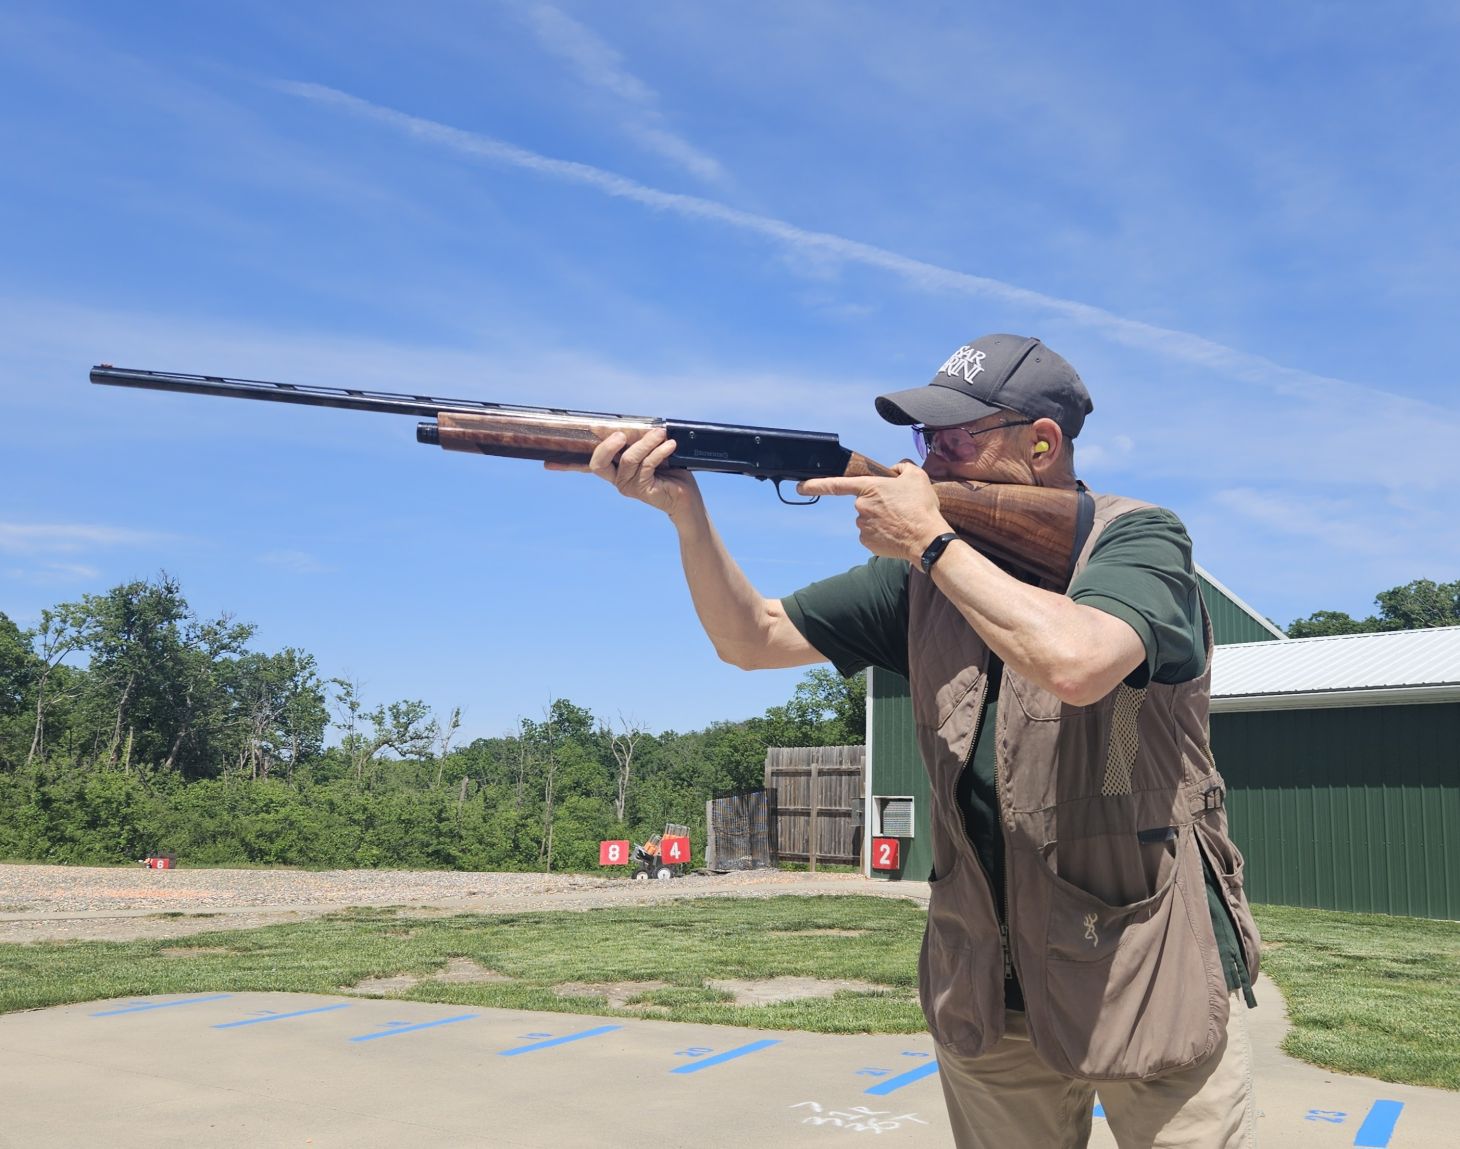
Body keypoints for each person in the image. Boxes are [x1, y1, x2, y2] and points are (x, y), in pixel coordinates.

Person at [558, 334, 1261, 1149]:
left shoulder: (1138, 541)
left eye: (956, 437)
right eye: (925, 439)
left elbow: (1078, 659)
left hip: (1149, 972)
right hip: (986, 984)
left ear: (1042, 444)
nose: (928, 460)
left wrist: (931, 541)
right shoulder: (920, 575)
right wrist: (686, 513)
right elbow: (749, 638)